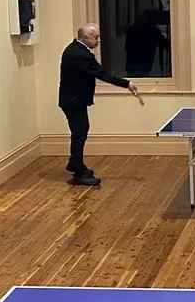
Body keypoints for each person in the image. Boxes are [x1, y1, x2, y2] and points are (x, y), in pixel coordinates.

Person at [58, 23, 138, 185]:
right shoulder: (80, 55)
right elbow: (102, 74)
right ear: (85, 37)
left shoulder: (73, 49)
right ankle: (78, 170)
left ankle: (75, 164)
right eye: (96, 37)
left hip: (72, 100)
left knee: (80, 132)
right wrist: (126, 84)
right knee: (79, 134)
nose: (98, 40)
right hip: (73, 101)